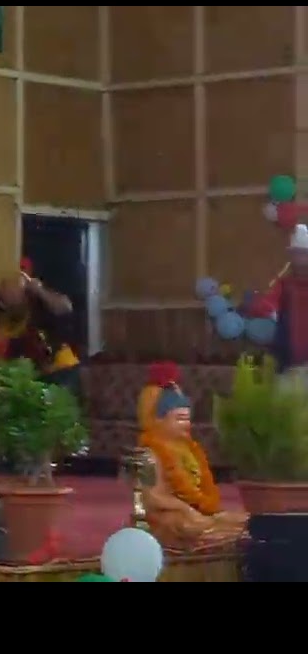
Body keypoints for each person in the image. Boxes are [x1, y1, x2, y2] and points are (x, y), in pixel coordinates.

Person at [137, 374, 247, 550]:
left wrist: (204, 511)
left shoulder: (188, 449)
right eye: (179, 419)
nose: (186, 425)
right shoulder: (149, 454)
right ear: (159, 420)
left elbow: (198, 491)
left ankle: (220, 527)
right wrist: (186, 510)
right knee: (187, 526)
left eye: (187, 419)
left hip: (195, 510)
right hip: (168, 515)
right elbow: (152, 499)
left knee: (244, 520)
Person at [0, 258, 81, 395]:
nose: (12, 293)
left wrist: (39, 290)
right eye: (7, 287)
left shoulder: (39, 302)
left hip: (57, 369)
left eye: (16, 286)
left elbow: (66, 307)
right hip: (20, 375)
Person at [252, 224, 308, 372]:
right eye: (297, 254)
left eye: (304, 254)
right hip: (287, 357)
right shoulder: (284, 284)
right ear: (291, 257)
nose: (301, 259)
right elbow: (263, 305)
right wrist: (271, 312)